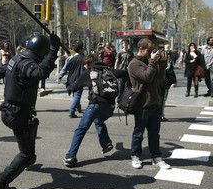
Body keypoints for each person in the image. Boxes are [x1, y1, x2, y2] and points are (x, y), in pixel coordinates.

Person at [0, 34, 60, 189]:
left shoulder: (17, 58)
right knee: (26, 154)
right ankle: (2, 182)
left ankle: (26, 160)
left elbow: (0, 70)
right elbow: (40, 73)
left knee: (30, 134)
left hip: (9, 111)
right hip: (18, 115)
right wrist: (53, 50)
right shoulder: (28, 63)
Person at [63, 54, 128, 167]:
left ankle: (70, 156)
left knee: (81, 130)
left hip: (95, 105)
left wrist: (72, 82)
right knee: (98, 120)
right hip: (109, 107)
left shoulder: (89, 72)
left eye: (85, 64)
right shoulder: (109, 70)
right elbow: (124, 73)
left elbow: (74, 87)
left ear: (88, 63)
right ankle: (106, 143)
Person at [127, 38, 171, 169]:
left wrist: (162, 63)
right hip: (142, 104)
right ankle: (135, 156)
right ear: (141, 49)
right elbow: (147, 76)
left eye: (153, 51)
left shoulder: (148, 61)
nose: (152, 53)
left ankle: (156, 156)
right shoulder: (134, 64)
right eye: (149, 50)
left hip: (155, 102)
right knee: (138, 132)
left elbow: (159, 77)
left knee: (154, 133)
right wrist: (152, 62)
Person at [57, 43, 85, 118]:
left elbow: (65, 69)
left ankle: (78, 108)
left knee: (76, 95)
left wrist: (59, 77)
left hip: (71, 79)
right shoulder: (83, 58)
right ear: (80, 50)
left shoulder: (70, 59)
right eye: (82, 49)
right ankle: (72, 111)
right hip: (79, 79)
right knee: (77, 95)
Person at [114, 39, 134, 103]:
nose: (124, 45)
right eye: (123, 43)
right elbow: (117, 62)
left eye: (126, 43)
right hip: (121, 71)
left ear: (128, 44)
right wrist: (115, 70)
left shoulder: (131, 53)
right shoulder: (120, 52)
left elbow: (132, 61)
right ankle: (119, 101)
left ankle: (125, 101)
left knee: (127, 87)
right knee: (120, 87)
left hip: (128, 71)